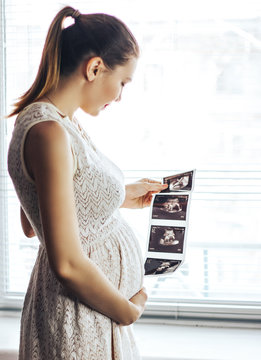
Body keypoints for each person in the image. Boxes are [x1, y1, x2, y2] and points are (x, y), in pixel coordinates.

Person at [7, 5, 168, 360]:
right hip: (79, 318)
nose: (120, 96)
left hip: (89, 314)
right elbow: (65, 262)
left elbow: (37, 217)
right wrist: (126, 311)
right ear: (95, 67)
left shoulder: (51, 121)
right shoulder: (48, 131)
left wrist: (120, 196)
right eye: (122, 82)